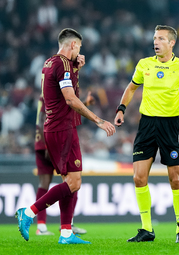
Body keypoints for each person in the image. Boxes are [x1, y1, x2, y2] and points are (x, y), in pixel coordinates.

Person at [15, 28, 116, 244]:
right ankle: (29, 213)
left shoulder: (50, 62)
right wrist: (98, 120)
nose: (79, 51)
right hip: (62, 129)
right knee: (74, 182)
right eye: (79, 46)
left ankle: (66, 233)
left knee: (69, 181)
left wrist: (76, 69)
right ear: (73, 45)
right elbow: (70, 99)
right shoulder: (63, 64)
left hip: (55, 127)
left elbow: (64, 93)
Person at [114, 25, 179, 243]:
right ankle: (147, 229)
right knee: (138, 177)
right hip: (146, 125)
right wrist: (121, 109)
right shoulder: (144, 64)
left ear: (172, 43)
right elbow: (131, 87)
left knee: (176, 179)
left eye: (161, 39)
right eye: (155, 38)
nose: (156, 42)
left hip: (171, 126)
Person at [34, 92, 94, 236]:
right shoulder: (52, 95)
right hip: (52, 141)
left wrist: (84, 103)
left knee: (46, 183)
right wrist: (47, 144)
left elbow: (65, 111)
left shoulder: (47, 95)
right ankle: (67, 225)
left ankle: (42, 226)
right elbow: (45, 117)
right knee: (72, 182)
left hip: (41, 142)